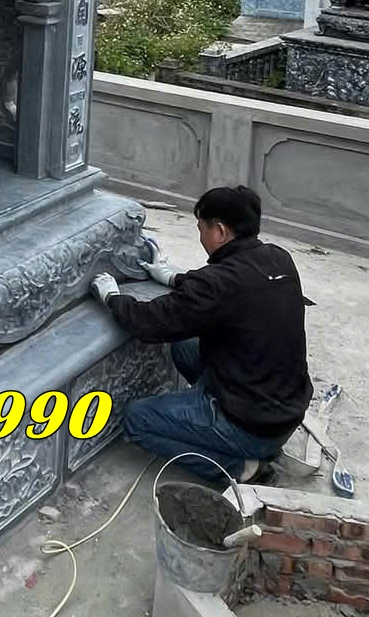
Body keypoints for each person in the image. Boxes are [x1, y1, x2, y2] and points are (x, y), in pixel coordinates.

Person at [90, 185, 313, 485]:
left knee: (137, 420)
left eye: (201, 228)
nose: (200, 236)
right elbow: (227, 291)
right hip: (283, 410)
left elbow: (150, 321)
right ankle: (209, 418)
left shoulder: (218, 284)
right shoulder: (277, 257)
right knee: (184, 345)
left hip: (253, 425)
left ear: (219, 231)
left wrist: (112, 298)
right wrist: (174, 277)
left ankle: (240, 467)